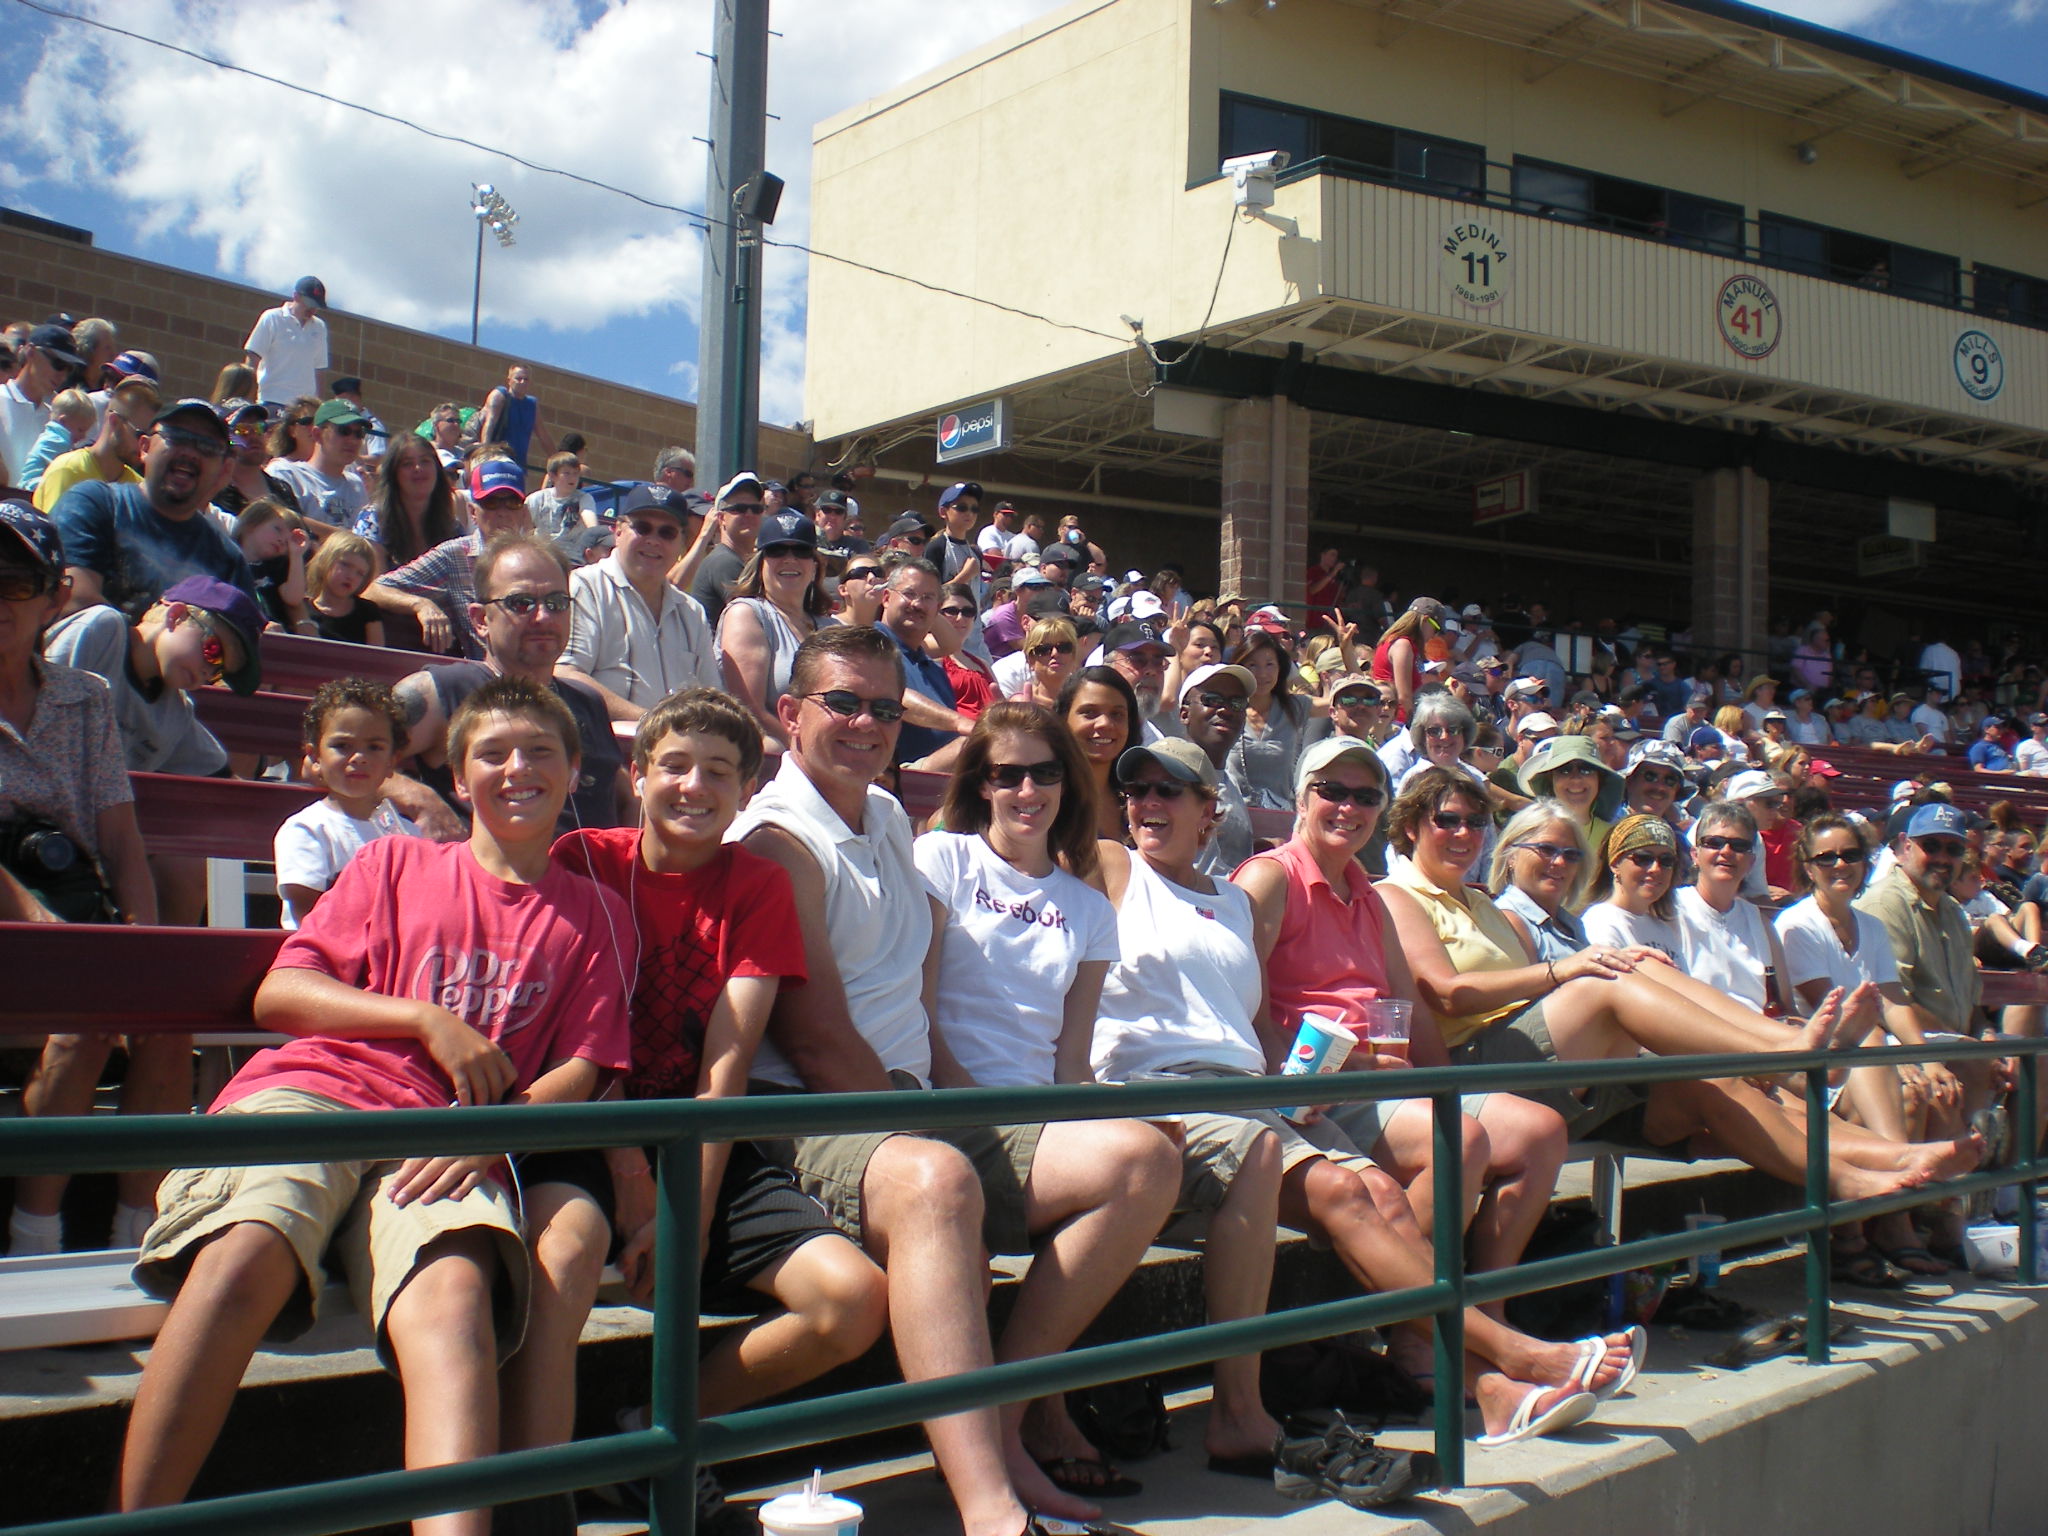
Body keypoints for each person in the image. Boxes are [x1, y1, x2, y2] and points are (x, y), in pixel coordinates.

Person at [115, 677, 631, 1534]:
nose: (517, 769)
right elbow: (283, 993)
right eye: (492, 754)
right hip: (318, 1095)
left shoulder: (592, 915)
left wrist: (499, 1131)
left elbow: (587, 1063)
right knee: (246, 1253)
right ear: (459, 780)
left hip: (445, 1137)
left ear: (574, 771)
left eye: (540, 751)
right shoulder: (394, 862)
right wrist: (425, 1019)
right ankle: (127, 1524)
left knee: (454, 1299)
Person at [729, 623, 1181, 1533]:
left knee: (1139, 1160)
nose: (866, 722)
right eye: (842, 703)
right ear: (788, 714)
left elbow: (917, 1000)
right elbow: (816, 1044)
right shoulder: (779, 839)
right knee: (938, 1183)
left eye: (885, 708)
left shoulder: (890, 817)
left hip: (914, 1096)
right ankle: (993, 1507)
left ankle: (1005, 1422)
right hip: (813, 1106)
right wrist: (933, 1129)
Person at [546, 689, 888, 1531]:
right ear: (636, 776)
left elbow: (724, 1069)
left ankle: (654, 1437)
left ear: (746, 792)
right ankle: (538, 1484)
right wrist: (632, 1178)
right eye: (674, 766)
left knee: (851, 1301)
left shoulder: (757, 884)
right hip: (587, 1134)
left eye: (719, 772)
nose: (694, 786)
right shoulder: (581, 859)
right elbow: (584, 1042)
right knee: (557, 1263)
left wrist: (686, 1222)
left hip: (699, 1145)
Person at [1229, 743, 1637, 1442]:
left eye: (1366, 797)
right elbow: (1246, 1005)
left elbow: (1406, 1007)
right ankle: (1448, 1347)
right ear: (1302, 798)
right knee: (1463, 1139)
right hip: (1311, 1085)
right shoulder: (1271, 878)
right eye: (1333, 791)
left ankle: (1475, 1330)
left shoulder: (1365, 891)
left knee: (1535, 1131)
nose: (1349, 808)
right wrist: (1326, 1073)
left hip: (1377, 1080)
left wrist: (1444, 1082)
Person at [0, 506, 161, 1256]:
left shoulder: (85, 696)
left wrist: (145, 953)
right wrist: (51, 935)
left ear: (52, 597)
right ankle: (35, 1231)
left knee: (171, 1011)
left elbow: (122, 841)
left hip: (70, 918)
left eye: (16, 582)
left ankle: (139, 1226)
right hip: (23, 929)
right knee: (86, 1018)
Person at [384, 535, 627, 841]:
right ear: (480, 619)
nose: (543, 617)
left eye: (556, 602)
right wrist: (417, 797)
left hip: (591, 884)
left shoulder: (586, 701)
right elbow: (328, 760)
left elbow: (619, 792)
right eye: (521, 603)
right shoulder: (442, 691)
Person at [50, 398, 256, 620]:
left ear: (223, 468)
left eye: (208, 446)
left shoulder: (227, 559)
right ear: (145, 447)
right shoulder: (94, 503)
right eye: (177, 437)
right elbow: (75, 605)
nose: (191, 453)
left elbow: (241, 642)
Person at [551, 485, 720, 724]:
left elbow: (713, 697)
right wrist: (653, 724)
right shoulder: (585, 586)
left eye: (667, 533)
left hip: (680, 752)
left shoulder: (692, 612)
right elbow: (566, 675)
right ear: (618, 531)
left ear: (681, 543)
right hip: (610, 748)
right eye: (642, 528)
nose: (653, 541)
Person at [274, 678, 421, 929]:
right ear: (315, 757)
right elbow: (307, 912)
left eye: (374, 747)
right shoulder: (307, 829)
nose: (359, 758)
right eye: (342, 746)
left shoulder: (411, 834)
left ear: (391, 762)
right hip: (323, 958)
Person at [366, 461, 534, 659]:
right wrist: (421, 604)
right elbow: (374, 589)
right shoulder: (454, 555)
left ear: (523, 512)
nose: (503, 512)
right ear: (473, 512)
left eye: (512, 503)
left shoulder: (541, 561)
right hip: (482, 676)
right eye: (491, 502)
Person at [715, 508, 834, 747]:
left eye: (800, 551)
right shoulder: (747, 614)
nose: (789, 559)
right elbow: (749, 711)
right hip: (774, 753)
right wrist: (810, 752)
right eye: (777, 550)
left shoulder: (831, 626)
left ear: (814, 567)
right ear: (760, 564)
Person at [31, 378, 156, 509]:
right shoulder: (68, 469)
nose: (145, 447)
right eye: (139, 435)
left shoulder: (139, 489)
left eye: (150, 439)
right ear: (115, 422)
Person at [1580, 814, 1687, 961]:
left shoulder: (1664, 930)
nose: (1655, 869)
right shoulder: (1600, 922)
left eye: (1666, 861)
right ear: (1615, 863)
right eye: (1643, 858)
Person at [1056, 664, 1141, 842]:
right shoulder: (1044, 795)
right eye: (1089, 713)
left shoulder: (1142, 795)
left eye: (1117, 714)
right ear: (1063, 719)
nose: (1104, 723)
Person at [1516, 734, 1624, 874]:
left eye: (1586, 769)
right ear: (1551, 781)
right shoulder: (1528, 831)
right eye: (1564, 770)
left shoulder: (1614, 837)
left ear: (1599, 780)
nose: (1576, 778)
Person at [357, 434, 463, 569]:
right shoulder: (372, 520)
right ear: (393, 474)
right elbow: (374, 585)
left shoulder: (453, 527)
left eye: (425, 461)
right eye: (407, 464)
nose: (418, 468)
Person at [267, 398, 372, 530]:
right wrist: (347, 537)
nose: (352, 440)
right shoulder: (286, 474)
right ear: (317, 434)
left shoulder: (356, 485)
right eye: (343, 431)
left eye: (359, 434)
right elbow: (281, 523)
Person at [1229, 627, 1303, 811]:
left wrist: (1347, 651)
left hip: (1279, 822)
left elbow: (1344, 702)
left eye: (1270, 664)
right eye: (1253, 665)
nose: (1262, 674)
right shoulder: (1224, 709)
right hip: (1231, 819)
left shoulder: (1293, 707)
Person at [690, 472, 765, 626]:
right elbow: (758, 617)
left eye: (756, 509)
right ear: (721, 518)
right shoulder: (724, 561)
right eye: (740, 508)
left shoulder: (741, 560)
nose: (749, 514)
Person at [242, 276, 330, 408]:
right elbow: (253, 357)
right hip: (271, 399)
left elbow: (319, 369)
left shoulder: (319, 327)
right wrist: (247, 398)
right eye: (309, 303)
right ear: (296, 296)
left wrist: (318, 406)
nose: (312, 309)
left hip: (303, 407)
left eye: (316, 305)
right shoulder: (272, 317)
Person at [304, 530, 386, 647]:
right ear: (324, 560)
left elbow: (376, 657)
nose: (351, 576)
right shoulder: (304, 609)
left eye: (360, 573)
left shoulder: (367, 611)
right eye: (345, 565)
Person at [1370, 597, 1444, 723]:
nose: (1434, 636)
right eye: (1436, 629)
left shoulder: (1400, 643)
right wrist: (1417, 725)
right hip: (1397, 722)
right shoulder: (1403, 644)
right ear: (1425, 620)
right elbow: (1404, 696)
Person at [473, 365, 554, 478]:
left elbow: (543, 434)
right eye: (518, 378)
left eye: (526, 379)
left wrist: (558, 460)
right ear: (509, 380)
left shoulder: (532, 404)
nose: (522, 382)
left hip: (518, 466)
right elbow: (489, 424)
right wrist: (484, 454)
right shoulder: (500, 395)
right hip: (496, 461)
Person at [1011, 614, 1078, 709]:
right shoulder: (1020, 704)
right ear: (1031, 660)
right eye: (1044, 649)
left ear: (1073, 656)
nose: (1055, 653)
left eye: (1064, 648)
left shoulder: (1086, 701)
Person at [525, 451, 595, 539]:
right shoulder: (537, 499)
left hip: (572, 551)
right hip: (543, 550)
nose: (572, 478)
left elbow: (592, 525)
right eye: (567, 473)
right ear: (552, 476)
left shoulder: (584, 499)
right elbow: (523, 529)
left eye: (575, 473)